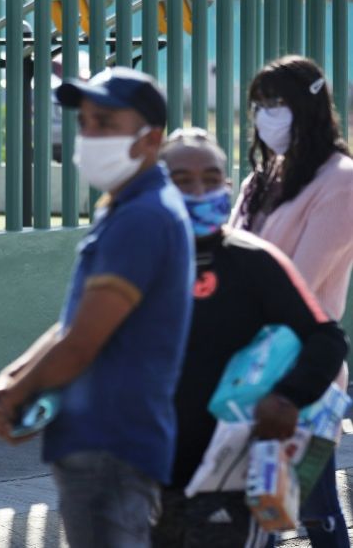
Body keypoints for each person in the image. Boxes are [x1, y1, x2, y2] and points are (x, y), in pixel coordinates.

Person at [0, 67, 194, 547]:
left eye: (106, 123)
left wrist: (15, 395)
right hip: (102, 442)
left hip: (111, 444)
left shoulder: (143, 216)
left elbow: (81, 344)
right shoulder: (126, 208)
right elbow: (74, 324)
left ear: (150, 139)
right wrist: (13, 379)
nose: (90, 135)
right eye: (86, 123)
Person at [151, 128, 348, 547]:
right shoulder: (138, 263)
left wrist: (288, 397)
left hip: (229, 482)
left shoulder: (254, 261)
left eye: (211, 177)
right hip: (150, 476)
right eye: (182, 180)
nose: (199, 190)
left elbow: (326, 338)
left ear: (227, 184)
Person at [230, 55, 353, 548]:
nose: (266, 115)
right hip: (241, 370)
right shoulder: (263, 177)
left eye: (277, 103)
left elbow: (298, 281)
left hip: (303, 377)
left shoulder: (340, 180)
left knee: (315, 512)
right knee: (252, 512)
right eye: (259, 104)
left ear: (310, 105)